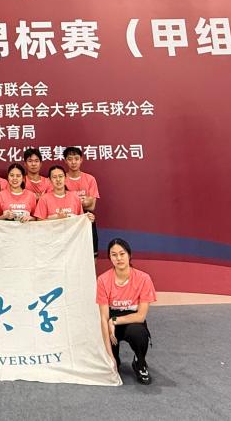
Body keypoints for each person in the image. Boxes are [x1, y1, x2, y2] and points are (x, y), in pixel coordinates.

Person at [97, 238, 156, 385]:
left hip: (132, 320)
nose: (118, 258)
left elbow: (141, 316)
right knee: (112, 362)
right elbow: (104, 318)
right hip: (111, 321)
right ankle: (115, 359)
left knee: (139, 334)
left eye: (122, 254)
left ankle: (139, 362)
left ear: (129, 255)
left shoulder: (144, 279)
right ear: (110, 258)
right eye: (114, 255)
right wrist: (110, 357)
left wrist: (114, 321)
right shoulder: (103, 280)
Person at [63, 146, 101, 253]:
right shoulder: (61, 178)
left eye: (76, 158)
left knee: (91, 252)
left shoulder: (90, 179)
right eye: (70, 159)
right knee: (70, 252)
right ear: (65, 161)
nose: (73, 162)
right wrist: (83, 201)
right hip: (67, 220)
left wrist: (72, 200)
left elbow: (92, 206)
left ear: (81, 159)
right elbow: (60, 203)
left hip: (87, 218)